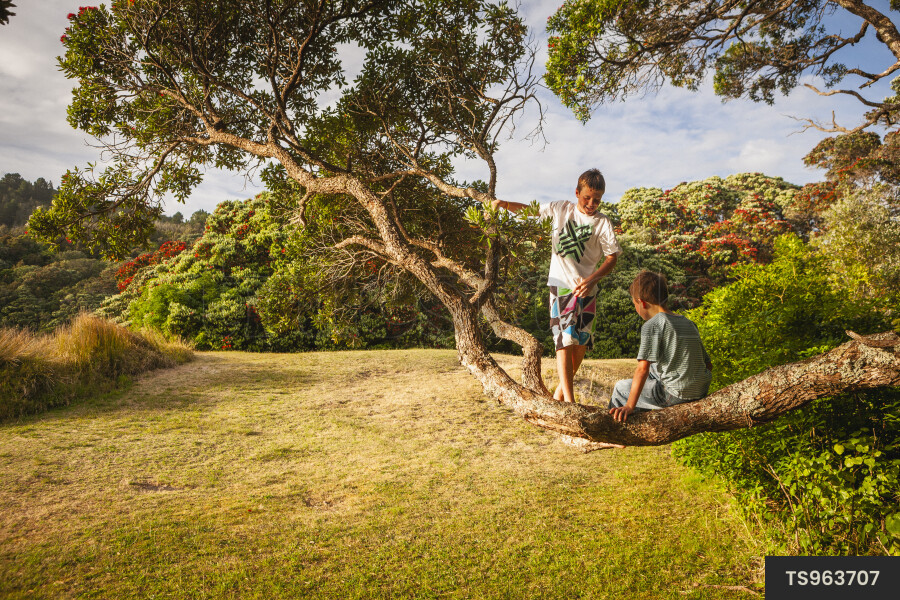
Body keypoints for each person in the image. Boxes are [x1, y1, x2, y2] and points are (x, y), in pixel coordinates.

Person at [492, 168, 621, 403]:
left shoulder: (602, 223)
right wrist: (504, 204)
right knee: (564, 340)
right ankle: (569, 402)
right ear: (576, 192)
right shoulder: (561, 209)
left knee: (581, 344)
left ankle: (559, 395)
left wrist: (592, 280)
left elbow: (612, 257)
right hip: (561, 284)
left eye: (597, 200)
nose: (592, 204)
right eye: (587, 198)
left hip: (589, 290)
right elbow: (529, 212)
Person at [608, 270, 713, 423]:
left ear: (641, 302)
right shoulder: (688, 323)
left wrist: (630, 405)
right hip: (701, 391)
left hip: (674, 395)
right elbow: (708, 365)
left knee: (621, 387)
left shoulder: (653, 325)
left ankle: (614, 432)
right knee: (654, 368)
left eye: (634, 304)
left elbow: (642, 369)